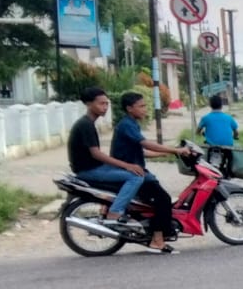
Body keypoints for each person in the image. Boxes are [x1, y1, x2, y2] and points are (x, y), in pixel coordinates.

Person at [111, 91, 194, 254]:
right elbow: (147, 145)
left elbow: (141, 151)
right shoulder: (127, 125)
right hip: (131, 173)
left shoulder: (131, 123)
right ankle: (157, 240)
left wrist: (168, 153)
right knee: (163, 199)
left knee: (158, 197)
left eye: (145, 106)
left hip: (135, 170)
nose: (145, 109)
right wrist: (175, 149)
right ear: (129, 108)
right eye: (141, 106)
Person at [65, 86, 145, 220]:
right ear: (89, 104)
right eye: (101, 103)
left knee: (129, 171)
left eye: (107, 103)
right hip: (88, 170)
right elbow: (96, 154)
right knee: (135, 177)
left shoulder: (88, 123)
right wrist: (127, 166)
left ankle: (108, 206)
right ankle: (115, 211)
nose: (105, 107)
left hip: (94, 167)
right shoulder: (85, 125)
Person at [198, 93, 239, 174]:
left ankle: (209, 171)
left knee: (207, 157)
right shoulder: (229, 117)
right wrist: (235, 136)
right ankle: (229, 172)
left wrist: (202, 133)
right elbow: (236, 131)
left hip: (212, 146)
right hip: (227, 146)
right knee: (230, 157)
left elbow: (198, 131)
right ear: (222, 105)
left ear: (210, 105)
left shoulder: (205, 118)